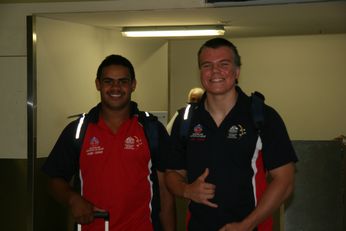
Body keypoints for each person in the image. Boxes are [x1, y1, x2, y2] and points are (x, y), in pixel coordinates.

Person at [165, 38, 298, 231]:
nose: (215, 71)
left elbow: (285, 182)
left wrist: (246, 225)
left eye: (224, 64)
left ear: (237, 72)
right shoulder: (186, 119)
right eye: (207, 65)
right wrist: (186, 190)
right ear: (200, 72)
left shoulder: (261, 116)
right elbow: (172, 173)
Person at [42, 54, 176, 231]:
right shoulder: (78, 131)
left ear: (133, 84)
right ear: (98, 84)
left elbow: (165, 194)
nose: (116, 87)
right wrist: (73, 199)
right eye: (108, 81)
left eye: (123, 81)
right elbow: (53, 179)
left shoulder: (152, 129)